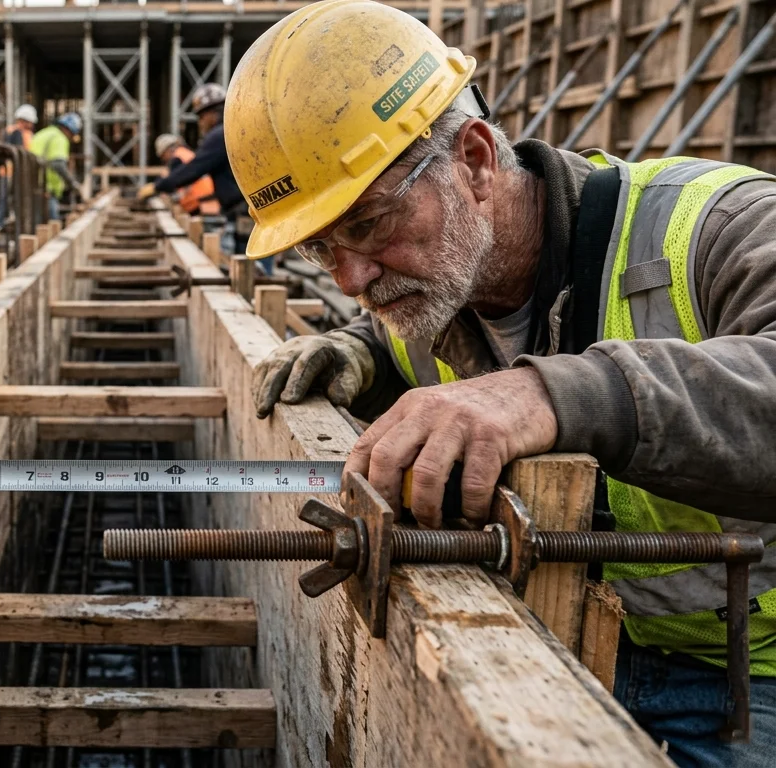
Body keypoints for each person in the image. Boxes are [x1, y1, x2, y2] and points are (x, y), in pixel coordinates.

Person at [232, 2, 776, 765]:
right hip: (555, 642)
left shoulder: (717, 226)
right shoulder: (434, 294)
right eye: (323, 249)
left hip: (745, 680)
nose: (352, 277)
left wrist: (552, 396)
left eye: (368, 223)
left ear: (478, 161)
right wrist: (359, 352)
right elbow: (426, 353)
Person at [136, 84, 268, 272]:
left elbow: (194, 169)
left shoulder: (219, 135)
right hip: (246, 207)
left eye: (201, 116)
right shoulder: (234, 130)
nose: (200, 122)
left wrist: (159, 187)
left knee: (248, 268)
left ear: (212, 113)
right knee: (248, 265)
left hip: (242, 209)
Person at [30, 112, 85, 221]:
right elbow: (58, 164)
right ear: (69, 130)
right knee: (51, 222)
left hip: (32, 184)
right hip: (45, 187)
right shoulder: (59, 138)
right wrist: (73, 184)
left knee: (36, 222)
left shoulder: (45, 133)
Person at [153, 133, 221, 217]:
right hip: (208, 200)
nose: (164, 159)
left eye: (163, 155)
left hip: (200, 203)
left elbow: (172, 180)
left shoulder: (177, 158)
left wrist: (156, 187)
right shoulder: (185, 154)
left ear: (167, 150)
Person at [0, 104, 39, 229]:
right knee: (7, 199)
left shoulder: (23, 133)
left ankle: (7, 222)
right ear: (24, 120)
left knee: (9, 198)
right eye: (30, 122)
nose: (32, 125)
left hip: (19, 172)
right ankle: (1, 224)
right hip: (11, 172)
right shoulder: (14, 132)